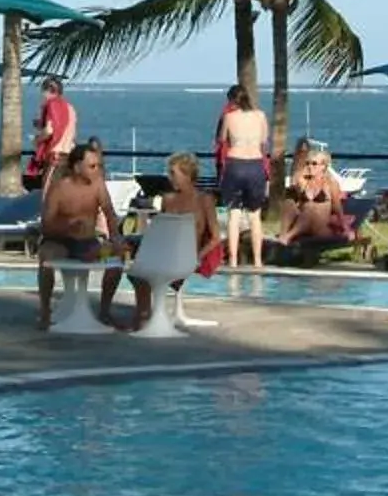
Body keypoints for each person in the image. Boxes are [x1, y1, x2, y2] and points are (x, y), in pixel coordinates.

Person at [106, 150, 220, 330]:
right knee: (122, 249)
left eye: (173, 174)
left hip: (186, 255)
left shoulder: (204, 200)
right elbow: (161, 229)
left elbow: (215, 237)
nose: (170, 178)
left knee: (141, 269)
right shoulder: (168, 199)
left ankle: (142, 317)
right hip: (164, 249)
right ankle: (119, 311)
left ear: (188, 175)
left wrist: (199, 256)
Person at [36, 144, 118, 328]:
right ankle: (44, 310)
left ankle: (105, 311)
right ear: (77, 167)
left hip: (88, 243)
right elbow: (46, 225)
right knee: (46, 257)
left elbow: (110, 214)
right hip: (60, 241)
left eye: (98, 166)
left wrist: (116, 239)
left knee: (116, 259)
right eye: (92, 166)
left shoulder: (98, 186)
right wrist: (68, 227)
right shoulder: (59, 188)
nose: (97, 170)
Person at [217, 85, 273, 268]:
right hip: (255, 165)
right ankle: (257, 260)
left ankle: (233, 261)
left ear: (232, 100)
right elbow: (264, 141)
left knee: (234, 215)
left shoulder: (229, 117)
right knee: (255, 216)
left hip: (235, 164)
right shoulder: (261, 116)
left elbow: (222, 139)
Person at [24, 75, 78, 189]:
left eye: (43, 93)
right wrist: (41, 124)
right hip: (69, 155)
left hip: (55, 156)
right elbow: (68, 129)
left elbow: (49, 131)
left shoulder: (51, 105)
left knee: (48, 196)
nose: (43, 97)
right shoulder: (70, 108)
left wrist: (36, 140)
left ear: (47, 91)